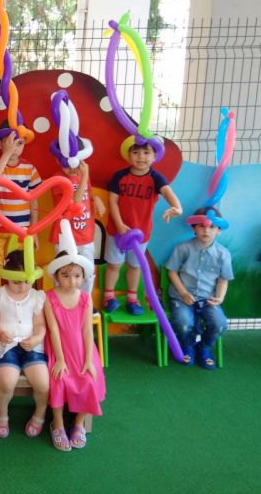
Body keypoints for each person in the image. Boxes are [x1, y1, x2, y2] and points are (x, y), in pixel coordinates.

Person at [103, 142, 182, 314]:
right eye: (136, 152)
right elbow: (112, 202)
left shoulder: (156, 178)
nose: (141, 157)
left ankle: (132, 298)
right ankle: (108, 296)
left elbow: (168, 192)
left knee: (134, 266)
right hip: (117, 232)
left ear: (155, 156)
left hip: (141, 233)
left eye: (146, 153)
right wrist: (119, 225)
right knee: (114, 265)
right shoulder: (119, 176)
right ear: (128, 155)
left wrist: (177, 207)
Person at [44, 250, 105, 452]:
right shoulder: (49, 298)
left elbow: (87, 331)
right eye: (66, 275)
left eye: (77, 276)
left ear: (83, 276)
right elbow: (53, 330)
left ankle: (79, 423)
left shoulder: (86, 298)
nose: (72, 281)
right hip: (59, 348)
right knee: (58, 379)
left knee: (88, 378)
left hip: (82, 348)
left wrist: (88, 359)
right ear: (56, 276)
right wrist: (60, 360)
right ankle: (57, 423)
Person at [0, 250, 49, 439]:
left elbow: (40, 325)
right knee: (7, 381)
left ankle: (40, 414)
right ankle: (2, 413)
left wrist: (37, 338)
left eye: (26, 281)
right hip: (5, 348)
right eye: (16, 282)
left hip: (32, 347)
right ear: (6, 277)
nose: (22, 287)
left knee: (43, 383)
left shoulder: (36, 297)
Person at [165, 207, 232, 369]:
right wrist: (183, 293)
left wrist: (220, 298)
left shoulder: (223, 254)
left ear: (218, 231)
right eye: (201, 226)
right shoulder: (182, 248)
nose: (206, 231)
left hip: (208, 299)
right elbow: (172, 272)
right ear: (194, 228)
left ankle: (204, 347)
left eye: (212, 227)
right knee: (183, 322)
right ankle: (187, 345)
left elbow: (223, 280)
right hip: (182, 298)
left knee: (220, 324)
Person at [0, 130, 41, 289]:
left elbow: (34, 201)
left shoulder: (29, 168)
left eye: (19, 143)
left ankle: (20, 295)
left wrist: (34, 231)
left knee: (20, 265)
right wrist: (6, 154)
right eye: (10, 143)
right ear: (0, 144)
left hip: (20, 231)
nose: (15, 147)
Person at [50, 159, 105, 296]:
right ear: (58, 160)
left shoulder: (82, 174)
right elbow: (75, 201)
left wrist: (96, 198)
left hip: (85, 235)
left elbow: (87, 193)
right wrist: (85, 175)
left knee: (88, 272)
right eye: (66, 164)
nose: (72, 168)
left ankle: (85, 302)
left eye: (75, 164)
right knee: (62, 272)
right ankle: (60, 302)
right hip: (65, 236)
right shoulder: (59, 179)